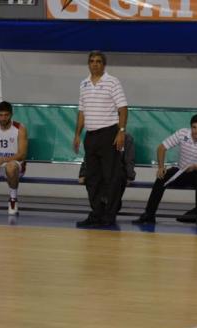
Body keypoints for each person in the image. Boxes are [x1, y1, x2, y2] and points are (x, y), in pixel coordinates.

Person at [73, 50, 128, 227]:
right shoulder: (83, 84)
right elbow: (82, 112)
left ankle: (109, 215)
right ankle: (96, 213)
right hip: (91, 136)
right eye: (92, 61)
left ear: (104, 65)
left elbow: (123, 109)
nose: (95, 64)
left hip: (109, 134)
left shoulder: (113, 82)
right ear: (88, 64)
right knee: (92, 177)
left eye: (98, 61)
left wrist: (121, 131)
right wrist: (77, 134)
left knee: (111, 177)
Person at [132, 114, 197, 226]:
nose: (196, 131)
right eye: (194, 127)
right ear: (190, 127)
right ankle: (149, 214)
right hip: (182, 171)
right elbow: (161, 148)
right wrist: (161, 167)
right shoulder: (182, 133)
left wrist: (194, 167)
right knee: (162, 176)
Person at [0, 101, 27, 215]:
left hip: (15, 165)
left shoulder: (20, 128)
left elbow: (22, 154)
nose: (3, 118)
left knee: (11, 167)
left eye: (6, 115)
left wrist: (2, 160)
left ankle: (13, 199)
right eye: (1, 115)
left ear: (11, 114)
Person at [79, 132, 136, 211]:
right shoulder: (97, 135)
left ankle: (110, 204)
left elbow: (129, 158)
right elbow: (88, 156)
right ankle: (101, 206)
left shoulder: (126, 138)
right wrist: (83, 173)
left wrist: (130, 175)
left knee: (117, 178)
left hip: (117, 171)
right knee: (92, 179)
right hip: (99, 170)